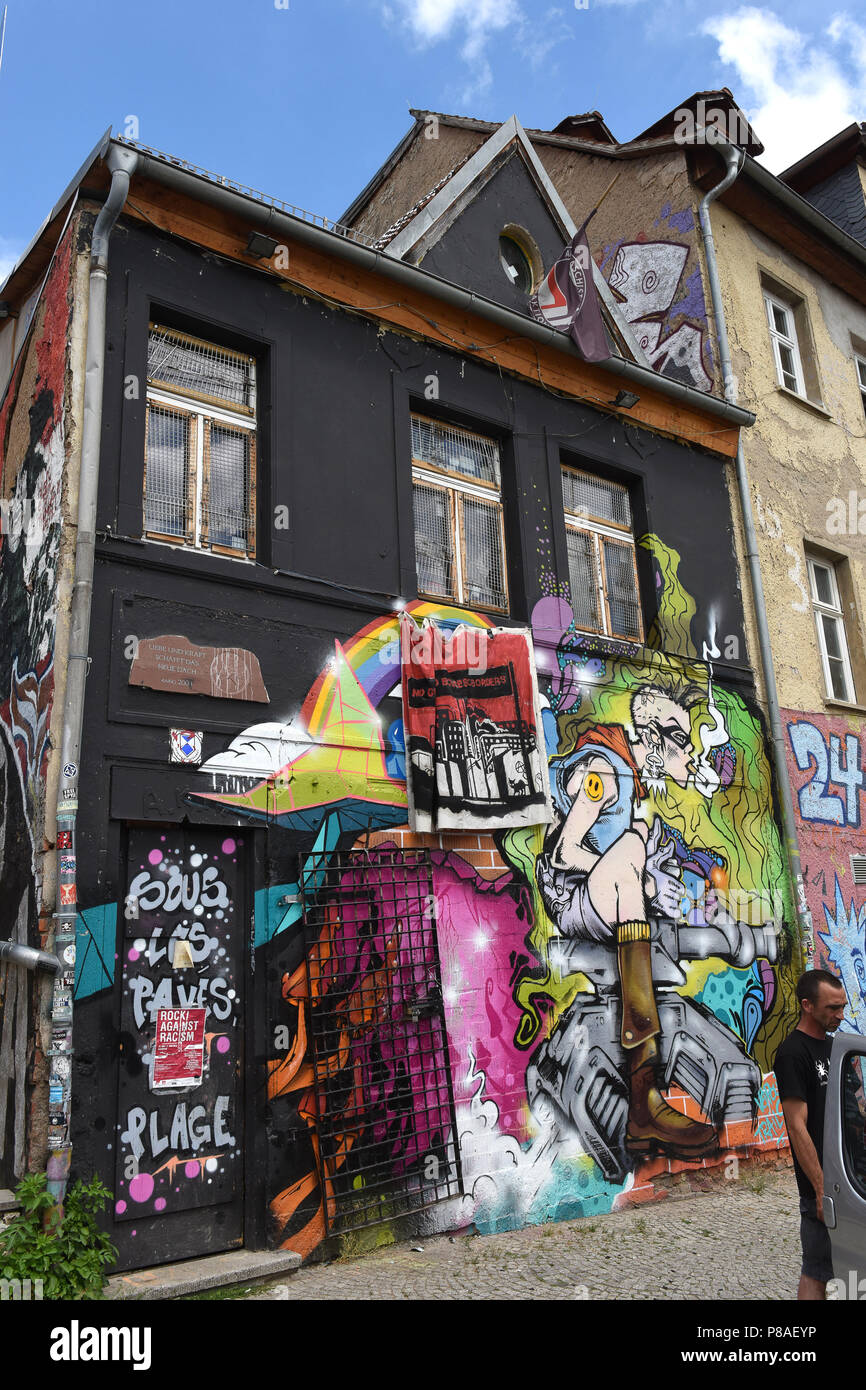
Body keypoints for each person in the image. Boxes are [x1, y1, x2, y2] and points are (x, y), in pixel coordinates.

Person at [536, 677, 719, 1159]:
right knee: (633, 847)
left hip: (599, 895)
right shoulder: (602, 768)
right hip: (569, 893)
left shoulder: (631, 785)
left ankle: (643, 1098)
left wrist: (650, 884)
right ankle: (645, 1101)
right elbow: (565, 852)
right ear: (654, 738)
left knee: (638, 845)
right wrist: (628, 874)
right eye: (681, 739)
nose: (689, 752)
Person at [774, 969, 848, 1301]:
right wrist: (820, 1192)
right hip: (824, 1184)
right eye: (832, 1008)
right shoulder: (793, 1053)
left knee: (851, 1267)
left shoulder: (837, 1048)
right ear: (807, 1005)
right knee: (817, 1271)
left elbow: (851, 1113)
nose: (840, 1015)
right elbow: (796, 1126)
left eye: (842, 1006)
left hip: (850, 1177)